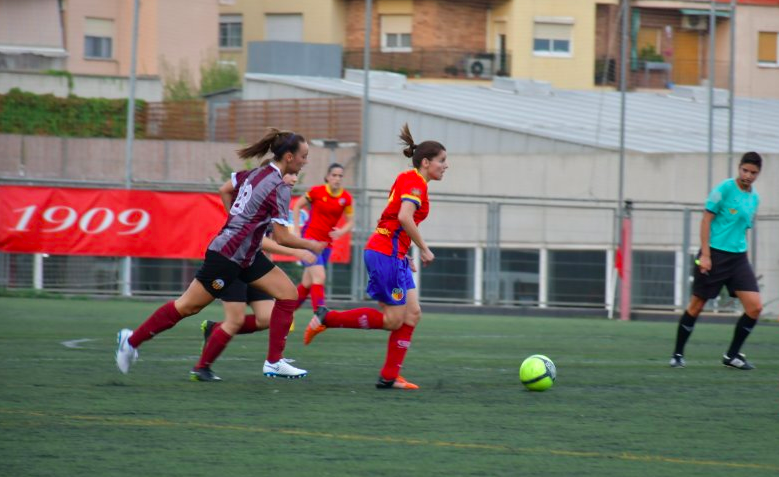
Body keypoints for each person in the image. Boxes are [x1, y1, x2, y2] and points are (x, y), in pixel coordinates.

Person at [115, 128, 326, 379]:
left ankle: (274, 362)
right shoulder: (279, 186)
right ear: (289, 157)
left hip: (246, 254)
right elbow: (281, 237)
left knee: (288, 294)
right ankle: (131, 341)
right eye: (304, 156)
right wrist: (310, 245)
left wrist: (237, 222)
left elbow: (225, 188)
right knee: (187, 307)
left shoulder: (257, 172)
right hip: (227, 257)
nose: (306, 161)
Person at [302, 124, 448, 390]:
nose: (445, 166)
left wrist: (406, 253)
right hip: (385, 254)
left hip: (394, 254)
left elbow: (397, 219)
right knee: (393, 319)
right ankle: (327, 317)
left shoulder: (411, 178)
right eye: (442, 161)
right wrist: (424, 248)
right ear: (426, 162)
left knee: (412, 313)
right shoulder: (415, 182)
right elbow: (404, 217)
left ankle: (389, 376)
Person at [190, 172, 318, 382]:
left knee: (266, 318)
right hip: (235, 263)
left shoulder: (278, 196)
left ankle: (215, 329)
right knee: (234, 320)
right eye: (291, 174)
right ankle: (201, 368)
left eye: (297, 175)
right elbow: (259, 241)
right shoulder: (263, 193)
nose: (294, 179)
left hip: (256, 266)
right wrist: (297, 251)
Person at [670, 152, 763, 370]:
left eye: (754, 173)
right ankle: (677, 354)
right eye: (745, 170)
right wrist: (705, 255)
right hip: (714, 254)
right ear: (739, 168)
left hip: (738, 259)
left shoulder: (754, 198)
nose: (748, 175)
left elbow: (742, 230)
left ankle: (732, 356)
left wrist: (745, 260)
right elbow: (706, 221)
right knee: (696, 306)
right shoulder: (724, 189)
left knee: (755, 307)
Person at [292, 163, 354, 312]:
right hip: (309, 241)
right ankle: (319, 315)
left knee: (307, 283)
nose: (337, 179)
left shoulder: (345, 198)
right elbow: (296, 206)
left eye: (340, 176)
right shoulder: (316, 192)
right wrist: (296, 231)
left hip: (326, 245)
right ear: (327, 177)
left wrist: (341, 231)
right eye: (334, 175)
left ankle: (285, 312)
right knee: (319, 277)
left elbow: (351, 222)